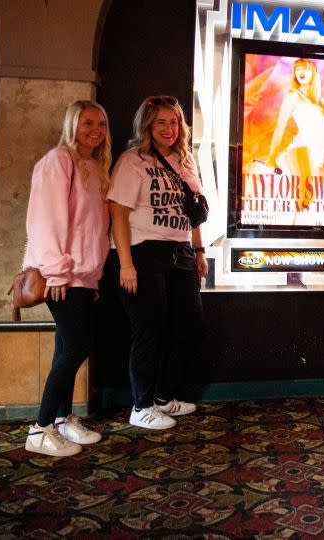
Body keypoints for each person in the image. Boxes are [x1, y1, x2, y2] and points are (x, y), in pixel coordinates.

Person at [108, 96, 208, 430]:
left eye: (174, 122)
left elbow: (193, 212)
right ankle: (141, 405)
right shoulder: (132, 160)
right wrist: (125, 263)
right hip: (142, 250)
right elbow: (118, 212)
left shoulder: (185, 160)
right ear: (147, 124)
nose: (168, 129)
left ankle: (164, 397)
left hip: (181, 251)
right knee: (148, 330)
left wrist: (199, 250)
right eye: (161, 122)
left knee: (189, 325)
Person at [22, 100, 112, 457]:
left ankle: (62, 419)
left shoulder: (93, 166)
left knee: (67, 347)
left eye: (102, 124)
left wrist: (92, 275)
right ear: (73, 124)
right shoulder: (59, 160)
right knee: (75, 347)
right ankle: (39, 428)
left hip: (82, 278)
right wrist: (56, 271)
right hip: (61, 276)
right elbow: (46, 219)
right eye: (88, 122)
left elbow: (91, 228)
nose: (96, 130)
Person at [266, 58, 324, 217]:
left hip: (317, 154)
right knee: (306, 197)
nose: (301, 72)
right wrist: (271, 157)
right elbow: (280, 126)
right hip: (301, 148)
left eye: (305, 68)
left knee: (308, 202)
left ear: (314, 73)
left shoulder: (320, 101)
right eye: (298, 69)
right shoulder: (293, 96)